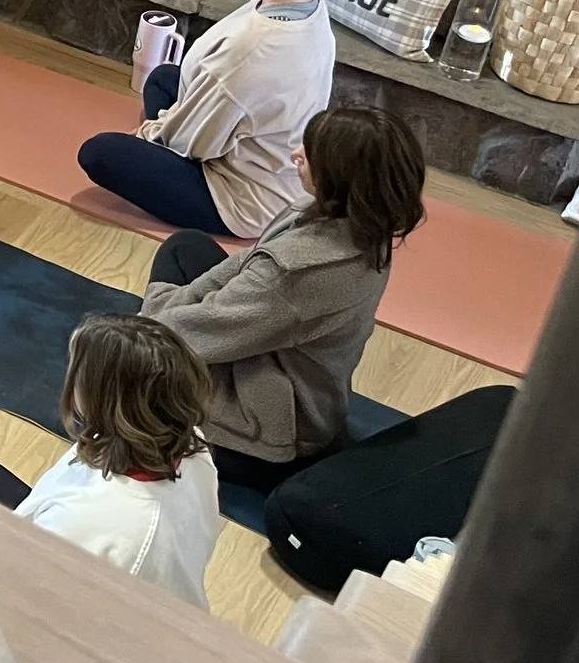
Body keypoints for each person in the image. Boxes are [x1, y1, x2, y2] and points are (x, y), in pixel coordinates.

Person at [141, 105, 426, 496]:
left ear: (339, 176)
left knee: (127, 386)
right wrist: (164, 312)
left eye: (310, 153)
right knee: (185, 249)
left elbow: (202, 329)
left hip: (268, 432)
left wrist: (146, 331)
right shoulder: (368, 222)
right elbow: (245, 265)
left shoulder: (297, 271)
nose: (296, 154)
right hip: (291, 368)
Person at [78, 0, 364, 237]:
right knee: (163, 78)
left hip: (246, 198)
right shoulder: (307, 1)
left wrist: (147, 136)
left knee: (99, 153)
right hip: (268, 148)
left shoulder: (253, 51)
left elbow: (192, 144)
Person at [0, 313, 222, 609]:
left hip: (72, 602)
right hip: (93, 562)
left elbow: (26, 600)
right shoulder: (189, 444)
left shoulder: (86, 525)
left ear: (104, 401)